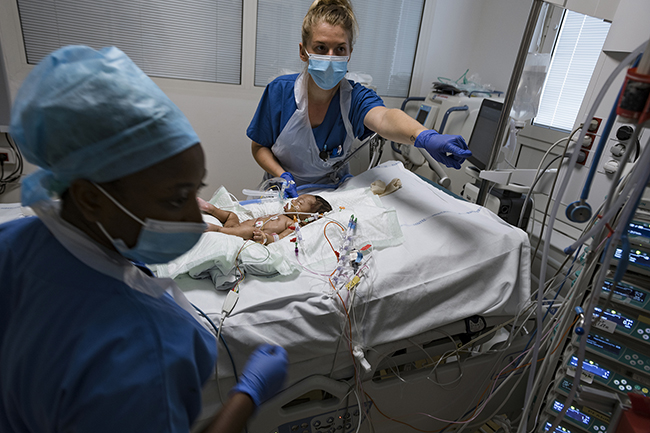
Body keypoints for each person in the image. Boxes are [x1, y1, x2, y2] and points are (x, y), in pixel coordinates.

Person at [0, 45, 287, 433]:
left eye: (194, 193)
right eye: (175, 199)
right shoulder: (141, 350)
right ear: (89, 197)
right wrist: (248, 394)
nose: (191, 216)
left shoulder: (13, 242)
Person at [247, 0, 472, 198]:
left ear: (349, 53)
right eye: (321, 48)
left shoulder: (354, 97)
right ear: (303, 51)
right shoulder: (280, 92)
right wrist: (282, 176)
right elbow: (259, 147)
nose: (330, 58)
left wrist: (425, 137)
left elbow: (385, 118)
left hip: (332, 196)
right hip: (283, 193)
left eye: (340, 49)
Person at [198, 194, 332, 244]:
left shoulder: (293, 224)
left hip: (246, 234)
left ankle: (217, 229)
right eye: (296, 199)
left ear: (309, 218)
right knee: (232, 216)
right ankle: (210, 208)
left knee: (250, 230)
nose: (293, 201)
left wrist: (265, 238)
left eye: (299, 203)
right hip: (236, 227)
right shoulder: (281, 214)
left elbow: (279, 238)